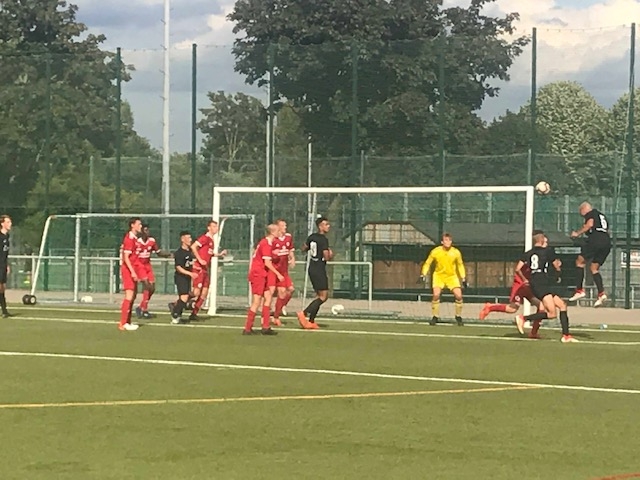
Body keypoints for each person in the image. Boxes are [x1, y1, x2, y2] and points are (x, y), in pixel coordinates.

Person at [479, 230, 545, 339]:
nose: (546, 244)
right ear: (541, 241)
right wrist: (524, 279)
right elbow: (518, 269)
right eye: (545, 242)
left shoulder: (543, 254)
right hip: (521, 284)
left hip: (529, 285)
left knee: (541, 306)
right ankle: (490, 307)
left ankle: (534, 332)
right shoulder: (531, 254)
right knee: (512, 309)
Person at [515, 232, 578, 343]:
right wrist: (558, 272)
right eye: (545, 240)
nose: (547, 242)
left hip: (537, 282)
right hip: (541, 283)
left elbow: (517, 269)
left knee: (562, 305)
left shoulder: (528, 253)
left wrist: (525, 279)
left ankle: (566, 335)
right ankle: (524, 318)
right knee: (552, 314)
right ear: (541, 240)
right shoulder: (548, 251)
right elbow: (556, 265)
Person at [569, 202, 611, 307]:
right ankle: (601, 293)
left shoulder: (591, 213)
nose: (583, 217)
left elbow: (589, 224)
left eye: (581, 214)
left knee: (579, 262)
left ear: (583, 209)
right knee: (594, 268)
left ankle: (579, 290)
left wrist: (577, 233)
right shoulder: (602, 215)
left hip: (596, 239)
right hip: (606, 242)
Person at [420, 233, 467, 326]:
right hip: (439, 276)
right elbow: (427, 263)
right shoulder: (435, 251)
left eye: (449, 240)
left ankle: (458, 316)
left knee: (459, 296)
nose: (448, 242)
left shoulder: (456, 252)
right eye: (446, 240)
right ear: (442, 242)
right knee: (436, 295)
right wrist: (423, 274)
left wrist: (463, 277)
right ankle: (435, 316)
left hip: (451, 277)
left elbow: (460, 265)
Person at [243, 224, 280, 335]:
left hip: (263, 273)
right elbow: (267, 263)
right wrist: (278, 274)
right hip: (258, 274)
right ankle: (247, 328)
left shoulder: (268, 243)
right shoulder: (266, 243)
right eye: (278, 230)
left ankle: (265, 327)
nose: (279, 232)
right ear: (272, 232)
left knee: (268, 297)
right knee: (257, 301)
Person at [297, 216, 333, 330]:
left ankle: (311, 321)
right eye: (326, 224)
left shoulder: (312, 237)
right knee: (323, 296)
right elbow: (326, 256)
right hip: (319, 269)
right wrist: (330, 254)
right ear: (320, 226)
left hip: (312, 268)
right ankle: (304, 313)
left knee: (319, 296)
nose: (328, 226)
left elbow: (303, 248)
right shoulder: (323, 239)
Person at [190, 220, 227, 321]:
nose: (216, 228)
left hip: (205, 269)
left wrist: (219, 254)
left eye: (216, 226)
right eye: (214, 226)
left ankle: (194, 313)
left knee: (204, 293)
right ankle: (178, 303)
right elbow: (193, 247)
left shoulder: (211, 240)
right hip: (199, 268)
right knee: (196, 292)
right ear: (209, 228)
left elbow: (209, 254)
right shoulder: (205, 238)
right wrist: (199, 259)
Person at [135, 224, 172, 319]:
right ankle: (144, 310)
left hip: (147, 265)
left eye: (148, 230)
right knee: (147, 285)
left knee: (152, 288)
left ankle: (141, 307)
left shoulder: (151, 241)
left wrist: (169, 254)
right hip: (139, 266)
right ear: (141, 231)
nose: (147, 232)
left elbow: (158, 252)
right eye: (145, 230)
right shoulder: (137, 242)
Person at [119, 217, 145, 331]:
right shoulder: (129, 238)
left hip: (133, 269)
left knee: (133, 296)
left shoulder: (135, 238)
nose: (141, 226)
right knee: (129, 295)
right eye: (139, 224)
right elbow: (126, 257)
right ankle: (123, 323)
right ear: (132, 225)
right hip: (128, 270)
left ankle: (127, 321)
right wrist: (133, 272)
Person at [269, 218, 295, 327]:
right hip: (274, 271)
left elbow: (290, 250)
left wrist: (292, 259)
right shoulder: (273, 240)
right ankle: (274, 317)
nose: (285, 227)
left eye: (285, 225)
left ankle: (280, 307)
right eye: (283, 225)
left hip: (284, 271)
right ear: (278, 227)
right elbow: (267, 254)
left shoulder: (288, 237)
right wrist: (273, 254)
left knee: (291, 289)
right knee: (279, 292)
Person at [171, 231, 197, 325]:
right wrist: (190, 273)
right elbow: (178, 267)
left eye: (190, 237)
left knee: (188, 296)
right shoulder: (179, 253)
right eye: (188, 238)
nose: (190, 240)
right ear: (182, 239)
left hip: (187, 277)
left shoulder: (190, 251)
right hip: (180, 277)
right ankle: (175, 314)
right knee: (184, 297)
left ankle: (176, 309)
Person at [0, 215, 13, 318]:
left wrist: (6, 264)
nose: (10, 224)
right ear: (2, 223)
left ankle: (4, 310)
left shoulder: (6, 236)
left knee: (2, 288)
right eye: (8, 222)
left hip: (3, 265)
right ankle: (4, 310)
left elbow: (4, 253)